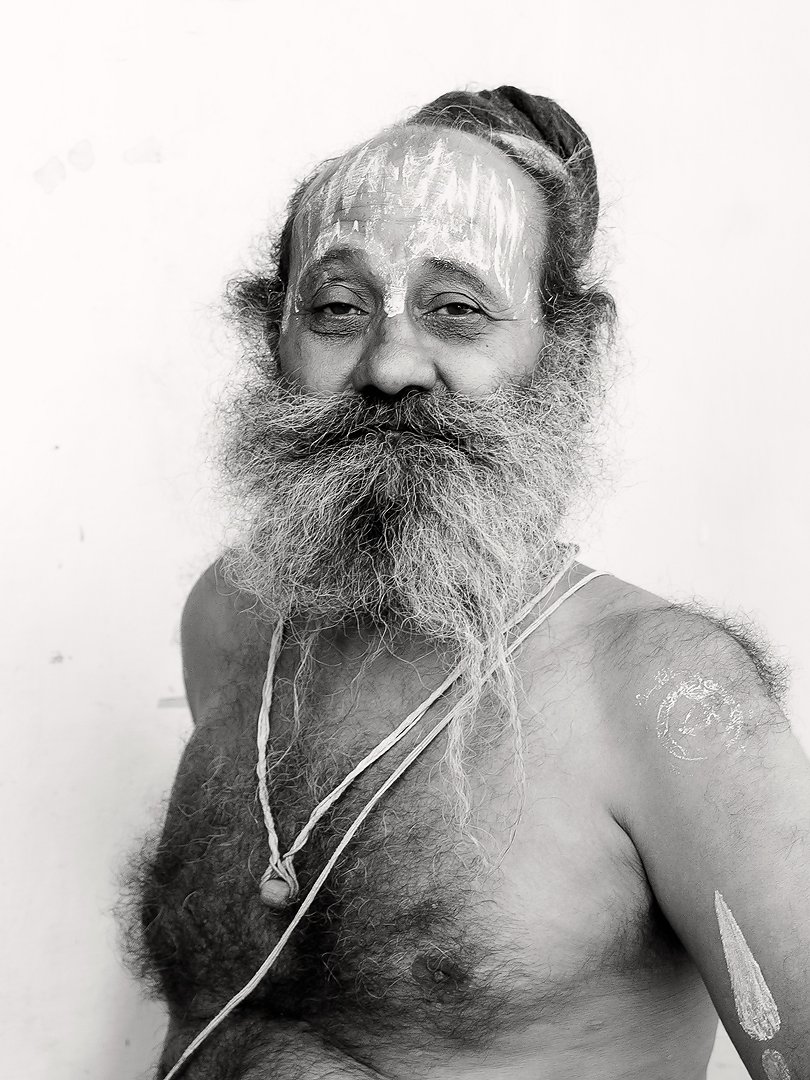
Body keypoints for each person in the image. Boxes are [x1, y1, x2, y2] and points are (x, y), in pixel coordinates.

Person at [125, 86, 810, 1080]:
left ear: (566, 353)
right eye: (338, 308)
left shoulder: (665, 691)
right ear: (271, 338)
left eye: (457, 309)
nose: (393, 364)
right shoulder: (231, 619)